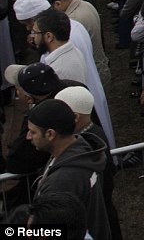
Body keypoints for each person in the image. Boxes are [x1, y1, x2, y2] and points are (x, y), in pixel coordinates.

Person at [25, 98, 111, 240]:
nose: (28, 137)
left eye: (32, 132)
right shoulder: (84, 152)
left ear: (50, 134)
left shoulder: (62, 181)